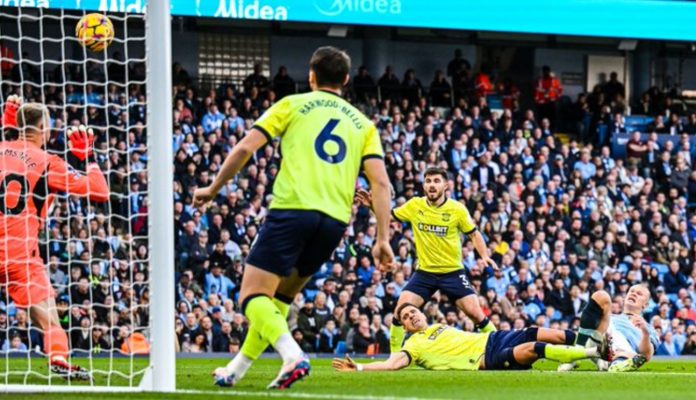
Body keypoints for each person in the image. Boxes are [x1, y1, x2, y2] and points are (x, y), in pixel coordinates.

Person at [193, 46, 395, 389]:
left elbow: (244, 148)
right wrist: (382, 238)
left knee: (251, 296)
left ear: (311, 76)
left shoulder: (292, 104)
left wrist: (212, 188)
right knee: (280, 300)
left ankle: (292, 355)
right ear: (346, 80)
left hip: (292, 210)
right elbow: (381, 182)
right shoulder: (363, 124)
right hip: (333, 222)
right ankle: (236, 370)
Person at [0, 96, 109, 379]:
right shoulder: (47, 161)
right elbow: (100, 191)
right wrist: (88, 157)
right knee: (50, 322)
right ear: (44, 128)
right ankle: (58, 358)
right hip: (20, 254)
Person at [356, 167, 498, 355]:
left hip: (452, 272)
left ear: (446, 185)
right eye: (428, 181)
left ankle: (499, 346)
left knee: (476, 313)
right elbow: (390, 216)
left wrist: (485, 255)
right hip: (425, 272)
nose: (432, 185)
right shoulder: (415, 205)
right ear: (424, 185)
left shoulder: (457, 209)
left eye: (436, 181)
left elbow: (474, 234)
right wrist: (372, 205)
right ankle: (395, 357)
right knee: (400, 310)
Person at [332, 304, 607, 372]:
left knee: (542, 331)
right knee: (535, 347)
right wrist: (359, 367)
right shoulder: (412, 345)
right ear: (403, 326)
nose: (413, 316)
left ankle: (592, 341)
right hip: (485, 359)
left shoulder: (438, 324)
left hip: (493, 339)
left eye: (414, 311)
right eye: (406, 317)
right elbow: (393, 364)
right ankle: (594, 353)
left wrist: (493, 330)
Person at [558, 284, 659, 372]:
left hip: (623, 353)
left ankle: (612, 363)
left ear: (645, 305)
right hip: (598, 344)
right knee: (602, 296)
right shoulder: (608, 317)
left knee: (616, 337)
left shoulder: (649, 329)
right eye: (631, 291)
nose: (633, 294)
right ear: (625, 297)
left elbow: (646, 356)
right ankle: (577, 354)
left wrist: (645, 332)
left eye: (639, 294)